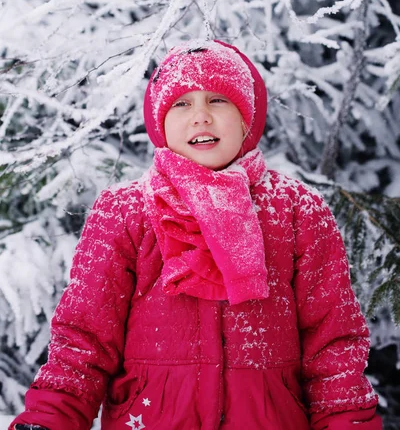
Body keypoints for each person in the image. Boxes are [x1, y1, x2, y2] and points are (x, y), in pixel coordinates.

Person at [10, 40, 382, 430]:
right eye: (180, 104)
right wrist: (50, 419)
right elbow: (84, 337)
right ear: (159, 122)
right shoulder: (124, 211)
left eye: (218, 100)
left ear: (246, 118)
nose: (200, 116)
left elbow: (332, 343)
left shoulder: (296, 209)